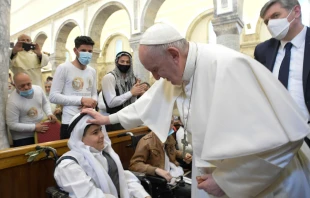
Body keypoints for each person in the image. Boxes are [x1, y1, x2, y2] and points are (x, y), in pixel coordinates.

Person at [82, 23, 310, 198]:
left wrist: (227, 181)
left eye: (155, 69)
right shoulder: (178, 72)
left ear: (173, 54)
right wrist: (106, 118)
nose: (156, 77)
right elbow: (146, 103)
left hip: (268, 185)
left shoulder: (229, 67)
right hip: (215, 176)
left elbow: (281, 144)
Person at [254, 0, 310, 148]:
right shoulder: (263, 51)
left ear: (296, 12)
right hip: (277, 137)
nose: (271, 23)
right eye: (267, 21)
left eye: (276, 15)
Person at [54, 113, 150, 198]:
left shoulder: (106, 154)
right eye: (95, 132)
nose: (102, 135)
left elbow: (123, 180)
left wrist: (143, 195)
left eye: (101, 130)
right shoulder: (68, 165)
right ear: (80, 138)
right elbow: (90, 195)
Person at [49, 36, 97, 139]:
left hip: (88, 119)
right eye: (83, 50)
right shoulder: (64, 68)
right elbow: (53, 96)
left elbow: (94, 93)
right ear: (75, 51)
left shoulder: (92, 71)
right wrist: (81, 100)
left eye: (90, 51)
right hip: (70, 121)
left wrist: (91, 103)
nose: (87, 54)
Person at [6, 72, 57, 147]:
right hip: (23, 138)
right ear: (15, 85)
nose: (26, 87)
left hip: (41, 132)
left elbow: (45, 103)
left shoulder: (38, 89)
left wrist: (49, 113)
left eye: (28, 84)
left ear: (31, 81)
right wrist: (34, 127)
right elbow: (12, 125)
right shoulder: (12, 102)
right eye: (22, 86)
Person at [101, 51, 146, 131]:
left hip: (129, 119)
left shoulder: (132, 79)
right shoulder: (109, 77)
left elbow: (133, 102)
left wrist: (139, 93)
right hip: (114, 121)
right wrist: (131, 93)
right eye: (122, 61)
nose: (125, 64)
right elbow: (111, 103)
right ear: (117, 62)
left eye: (128, 62)